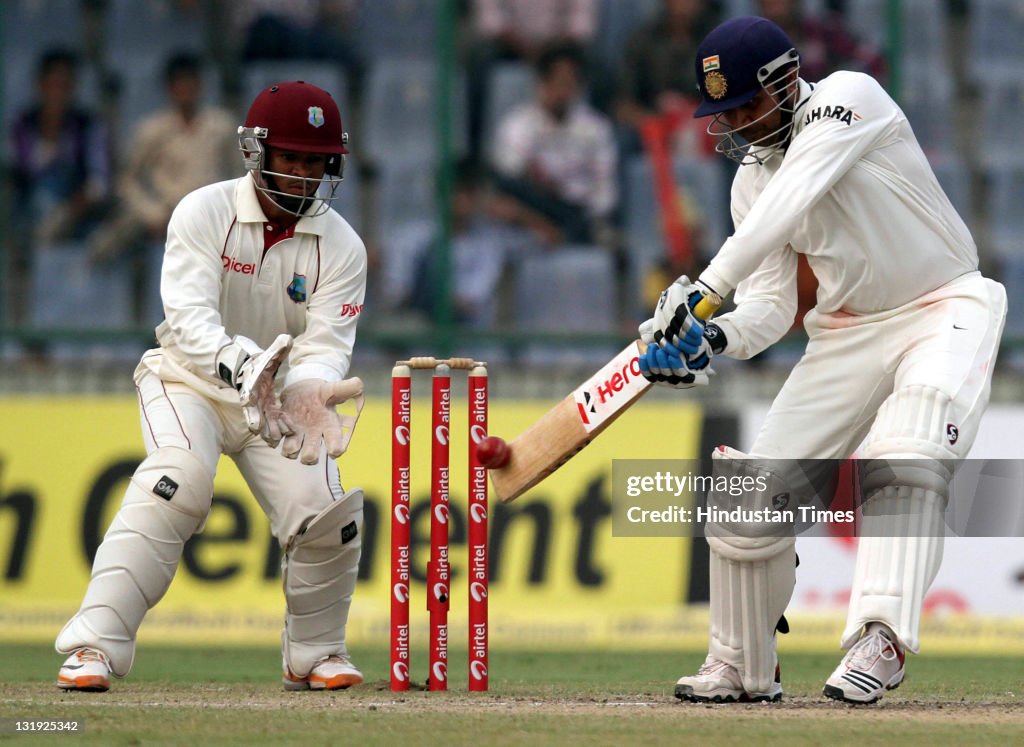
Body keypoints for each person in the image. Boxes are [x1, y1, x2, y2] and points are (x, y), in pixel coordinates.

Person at [638, 16, 1006, 704]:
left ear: (784, 80)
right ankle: (742, 663)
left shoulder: (850, 97)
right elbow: (774, 307)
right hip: (844, 332)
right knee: (749, 492)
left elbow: (796, 194)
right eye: (727, 113)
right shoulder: (751, 180)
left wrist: (705, 292)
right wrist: (713, 336)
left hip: (943, 305)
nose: (741, 124)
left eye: (749, 103)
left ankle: (881, 635)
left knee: (908, 443)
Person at [55, 81, 369, 693]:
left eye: (315, 161)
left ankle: (317, 653)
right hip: (188, 381)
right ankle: (93, 646)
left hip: (275, 402)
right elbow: (189, 320)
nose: (303, 175)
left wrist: (308, 389)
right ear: (258, 153)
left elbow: (326, 343)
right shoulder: (203, 211)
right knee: (178, 482)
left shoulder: (344, 246)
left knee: (328, 513)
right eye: (291, 158)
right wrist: (248, 367)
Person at [88, 52, 237, 263]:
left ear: (200, 84)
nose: (185, 89)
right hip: (165, 214)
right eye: (179, 83)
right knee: (114, 237)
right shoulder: (152, 130)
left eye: (190, 82)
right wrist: (151, 214)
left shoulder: (221, 126)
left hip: (210, 214)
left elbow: (238, 175)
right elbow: (127, 180)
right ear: (169, 88)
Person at [489, 42, 618, 247]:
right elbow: (510, 168)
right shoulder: (519, 123)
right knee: (505, 192)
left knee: (592, 225)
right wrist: (536, 176)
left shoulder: (596, 129)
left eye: (569, 84)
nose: (562, 92)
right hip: (534, 208)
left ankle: (568, 235)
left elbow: (605, 189)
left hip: (578, 210)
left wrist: (593, 212)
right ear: (542, 83)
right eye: (557, 83)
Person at [8, 48, 111, 302]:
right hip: (30, 213)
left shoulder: (89, 125)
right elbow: (21, 172)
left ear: (73, 88)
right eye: (52, 85)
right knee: (41, 196)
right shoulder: (24, 123)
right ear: (40, 86)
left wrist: (69, 211)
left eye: (64, 85)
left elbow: (100, 182)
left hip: (78, 212)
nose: (58, 92)